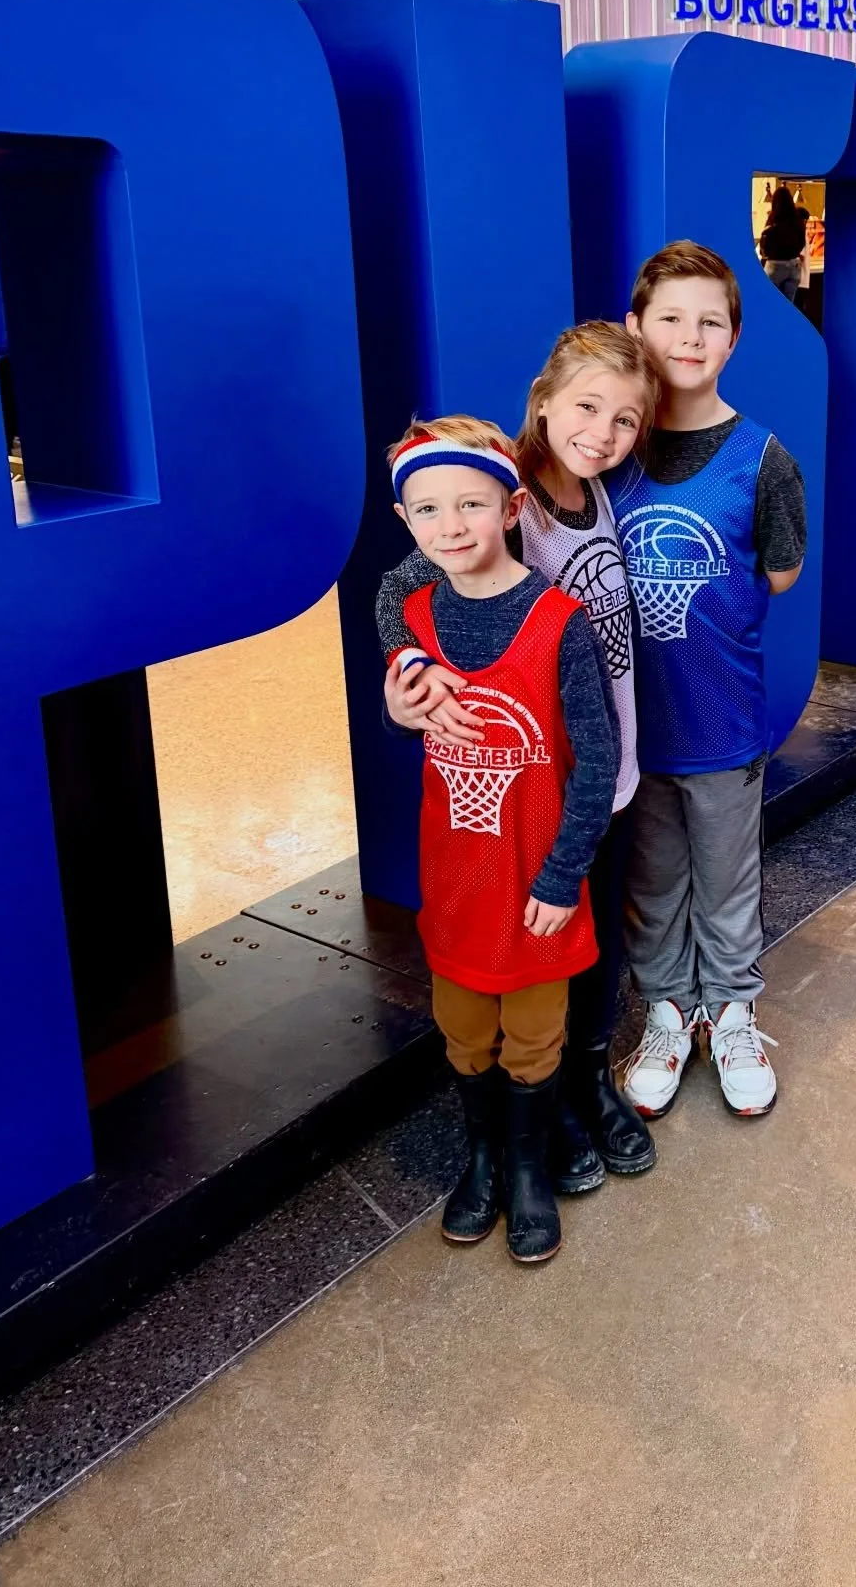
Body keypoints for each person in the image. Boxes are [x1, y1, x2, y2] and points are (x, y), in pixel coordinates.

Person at [378, 324, 661, 1188]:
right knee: (548, 947)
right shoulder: (505, 498)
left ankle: (581, 1079)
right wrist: (408, 667)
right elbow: (401, 588)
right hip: (538, 781)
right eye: (586, 408)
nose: (603, 432)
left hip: (599, 775)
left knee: (591, 942)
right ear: (542, 402)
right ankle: (556, 1110)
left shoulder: (593, 486)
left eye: (624, 419)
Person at [384, 417, 619, 1263]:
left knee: (531, 1035)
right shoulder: (413, 620)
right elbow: (407, 706)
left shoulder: (559, 621)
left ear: (512, 506)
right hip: (456, 884)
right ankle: (481, 1159)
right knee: (462, 1031)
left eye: (472, 505)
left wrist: (563, 876)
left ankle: (527, 1172)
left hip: (534, 886)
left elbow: (599, 758)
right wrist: (399, 691)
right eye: (427, 510)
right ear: (406, 524)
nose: (450, 526)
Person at [614, 240, 806, 1118]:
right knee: (652, 877)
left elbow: (777, 574)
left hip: (722, 720)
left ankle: (730, 1008)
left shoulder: (764, 458)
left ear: (732, 339)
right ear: (635, 329)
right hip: (628, 731)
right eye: (671, 319)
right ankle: (667, 1010)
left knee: (727, 875)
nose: (690, 338)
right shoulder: (604, 451)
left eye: (711, 323)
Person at [758, 184, 805, 303]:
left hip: (775, 266)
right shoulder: (797, 221)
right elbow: (802, 243)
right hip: (794, 266)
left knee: (770, 304)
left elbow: (764, 248)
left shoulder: (773, 221)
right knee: (789, 304)